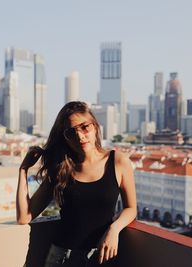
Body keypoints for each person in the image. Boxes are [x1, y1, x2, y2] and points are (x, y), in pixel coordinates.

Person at [16, 101, 136, 266]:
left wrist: (114, 230)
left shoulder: (119, 162)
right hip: (62, 257)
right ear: (64, 137)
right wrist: (23, 170)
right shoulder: (60, 169)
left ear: (95, 127)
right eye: (71, 132)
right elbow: (24, 217)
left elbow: (131, 208)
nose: (80, 136)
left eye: (84, 127)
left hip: (102, 255)